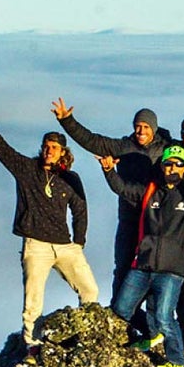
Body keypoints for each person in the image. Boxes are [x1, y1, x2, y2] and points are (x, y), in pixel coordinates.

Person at [0, 95, 98, 343]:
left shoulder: (71, 178)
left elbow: (80, 210)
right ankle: (31, 345)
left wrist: (79, 242)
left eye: (54, 147)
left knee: (90, 290)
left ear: (62, 153)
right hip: (36, 245)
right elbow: (1, 148)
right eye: (46, 146)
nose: (49, 150)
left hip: (64, 244)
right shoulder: (27, 169)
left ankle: (85, 335)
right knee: (33, 300)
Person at [99, 144, 184, 367]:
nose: (173, 167)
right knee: (120, 309)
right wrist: (109, 171)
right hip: (143, 263)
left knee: (164, 316)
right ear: (162, 166)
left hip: (172, 270)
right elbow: (123, 189)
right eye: (168, 163)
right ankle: (151, 335)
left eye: (178, 164)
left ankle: (176, 362)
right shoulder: (150, 190)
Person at [53, 100, 169, 301]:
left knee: (155, 269)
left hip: (157, 218)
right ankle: (119, 316)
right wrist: (67, 121)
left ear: (154, 128)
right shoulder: (123, 146)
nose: (141, 131)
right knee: (123, 266)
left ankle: (152, 323)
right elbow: (92, 141)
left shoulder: (166, 148)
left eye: (146, 127)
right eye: (138, 126)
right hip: (129, 216)